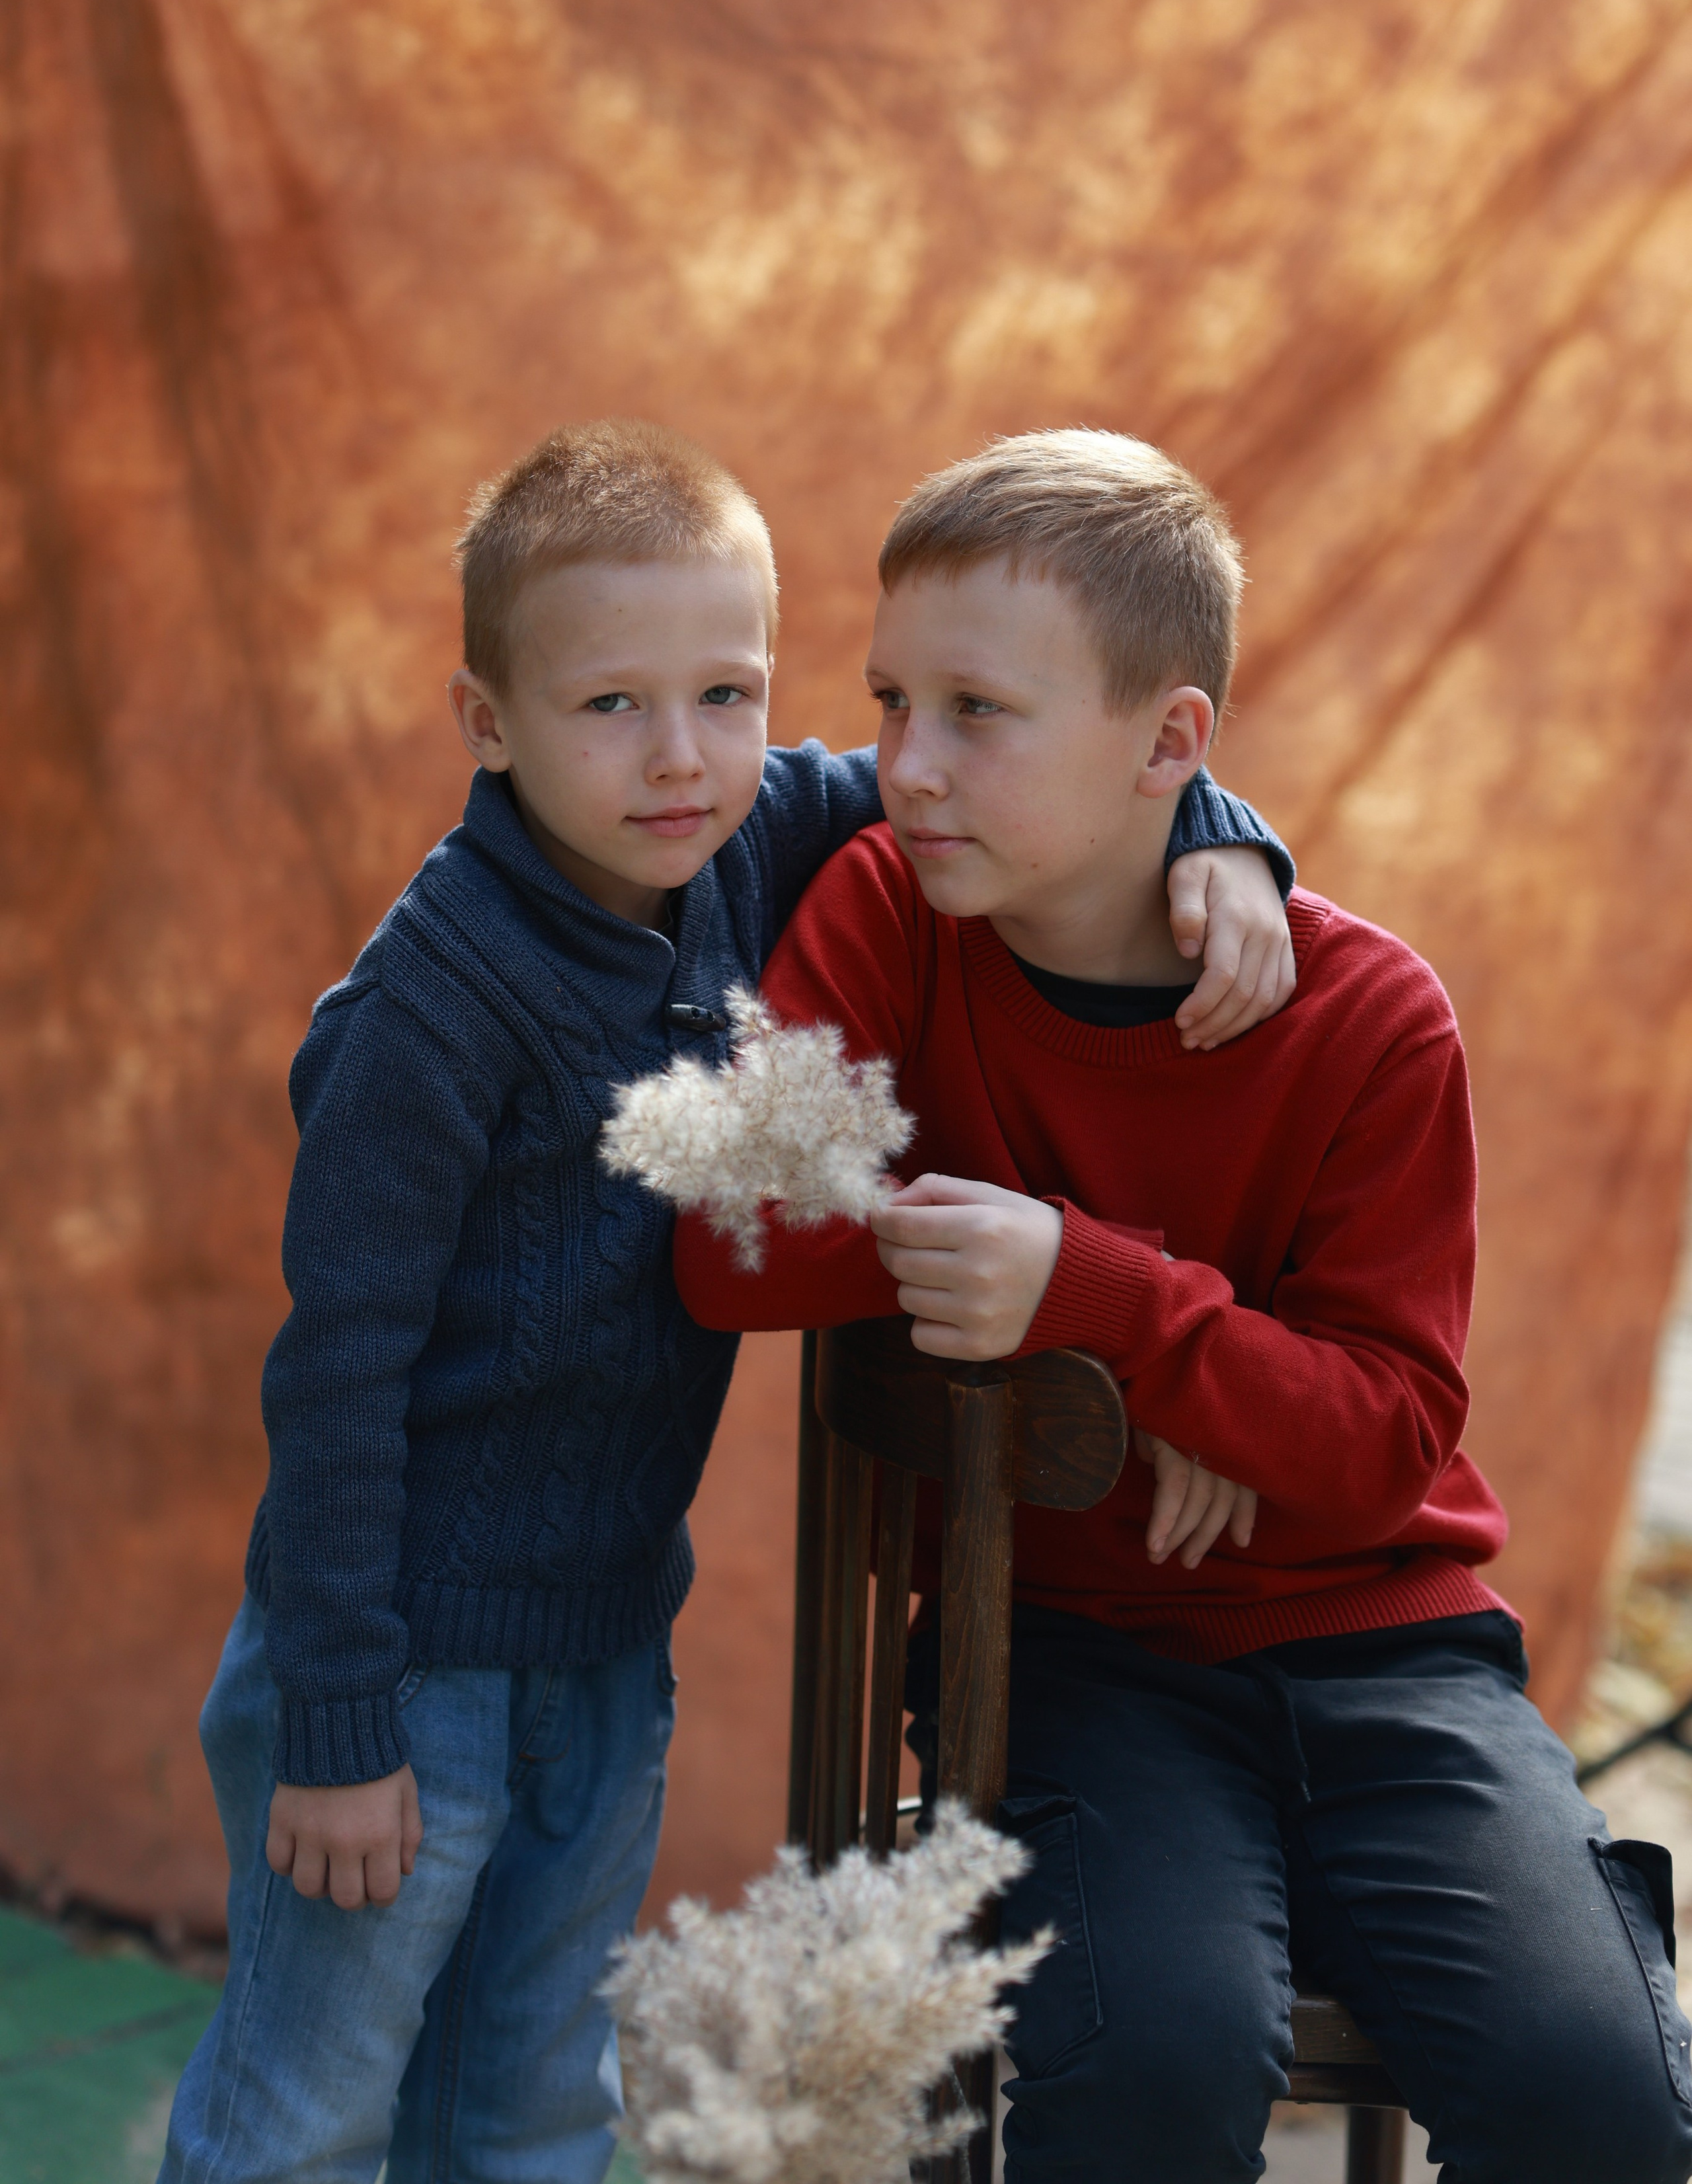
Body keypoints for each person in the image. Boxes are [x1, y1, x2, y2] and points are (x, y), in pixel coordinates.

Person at [157, 418, 1295, 2184]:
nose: (681, 758)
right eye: (610, 705)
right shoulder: (430, 1014)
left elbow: (994, 782)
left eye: (731, 693)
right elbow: (338, 1386)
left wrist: (1222, 837)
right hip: (400, 1667)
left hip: (607, 1644)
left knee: (532, 2103)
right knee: (308, 2111)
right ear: (491, 724)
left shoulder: (750, 835)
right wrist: (340, 1729)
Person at [673, 427, 1692, 2184]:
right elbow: (733, 1240)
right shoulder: (889, 916)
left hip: (1399, 1664)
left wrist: (1102, 1302)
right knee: (1151, 2069)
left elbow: (1372, 1453)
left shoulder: (1374, 1021)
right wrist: (1187, 1372)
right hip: (1081, 1667)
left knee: (1600, 2097)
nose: (906, 766)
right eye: (889, 699)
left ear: (1172, 746)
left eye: (978, 712)